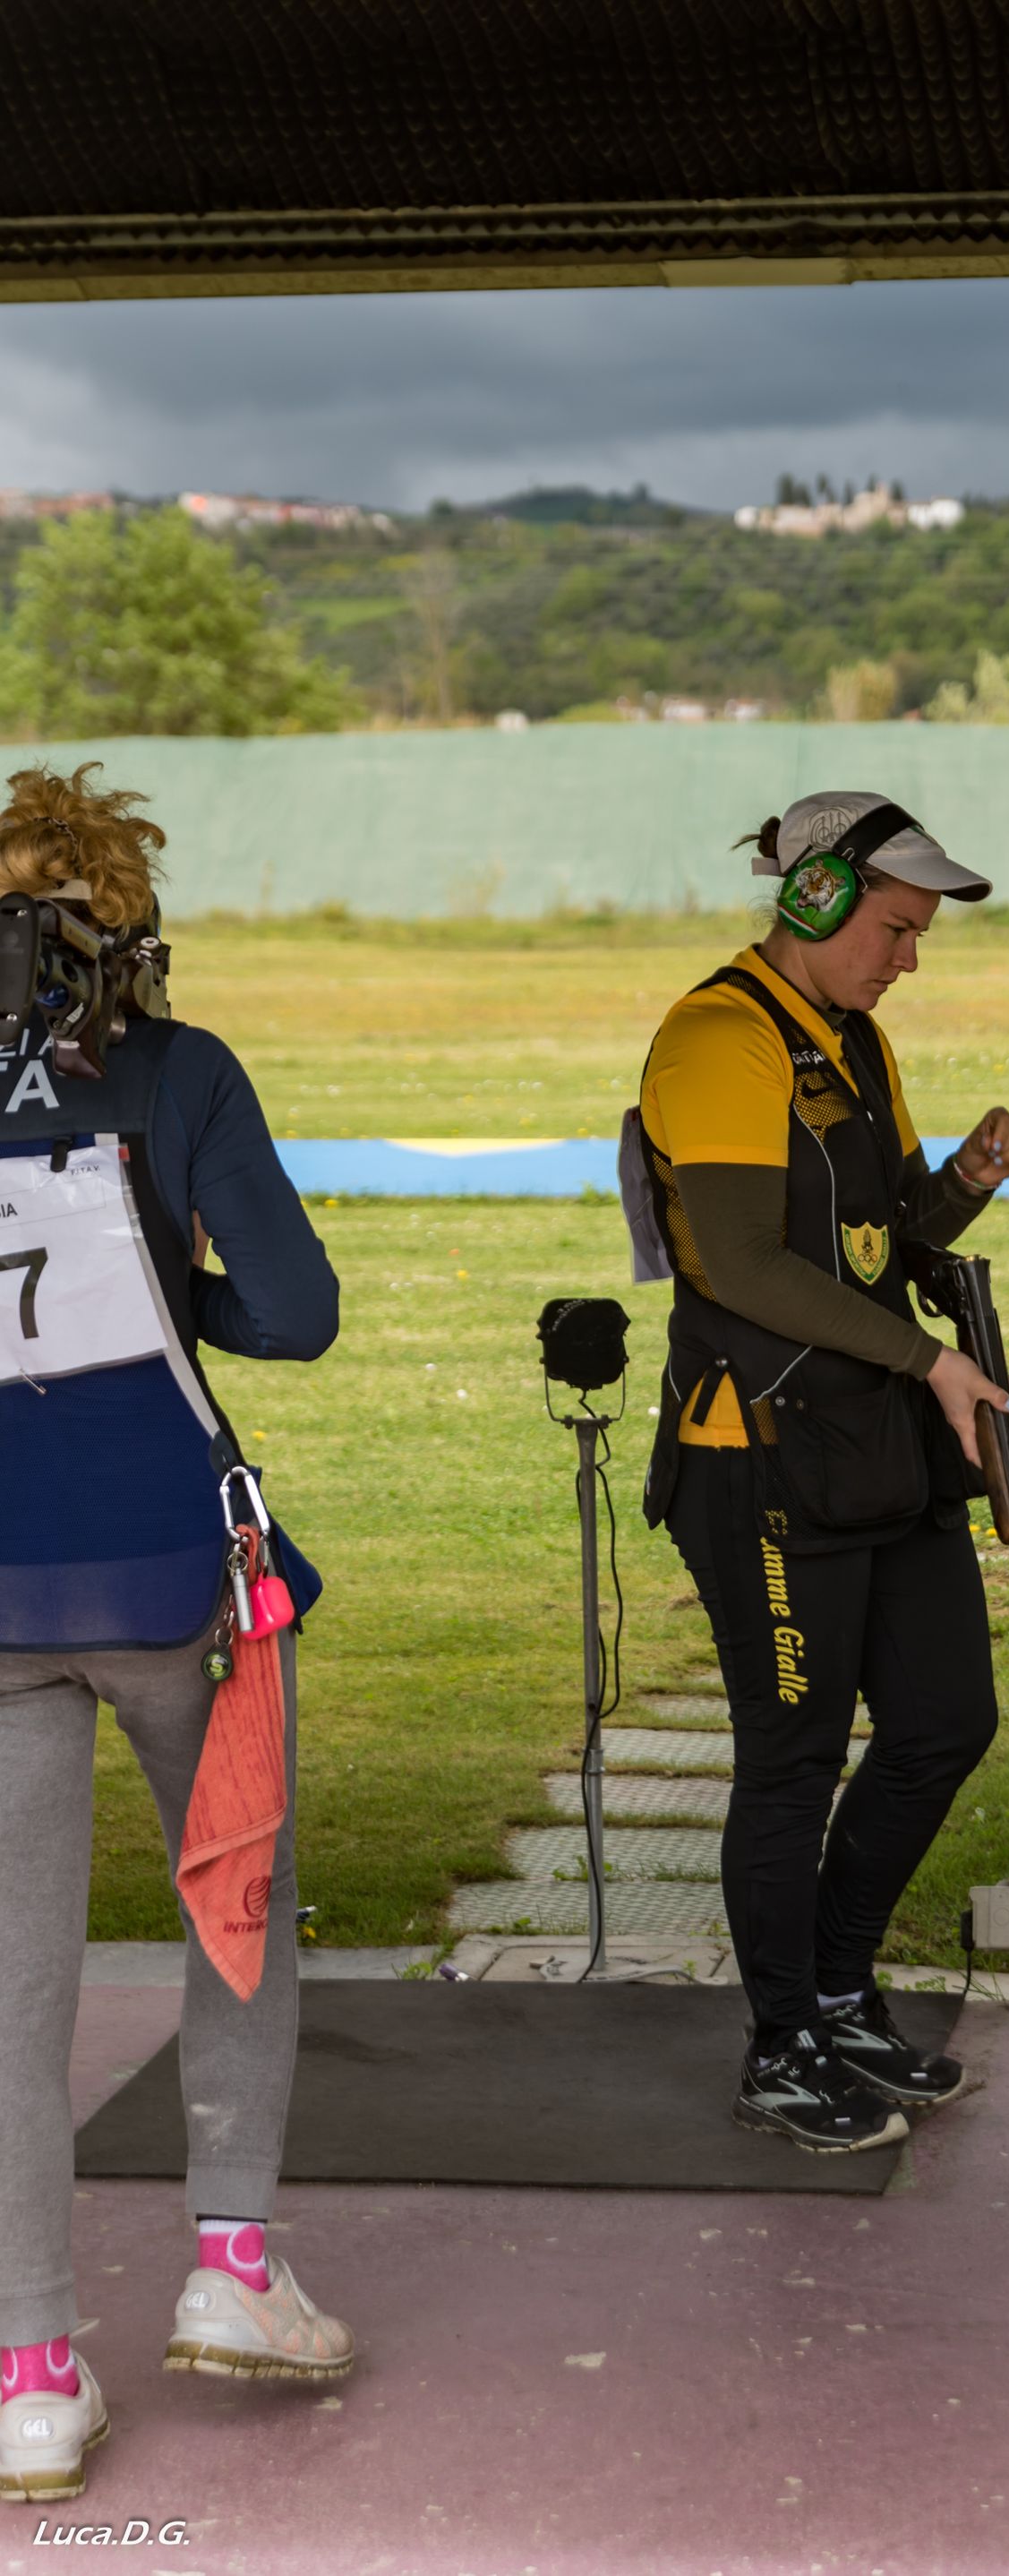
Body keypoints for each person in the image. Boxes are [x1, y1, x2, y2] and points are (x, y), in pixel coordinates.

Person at [0, 766, 351, 2510]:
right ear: (122, 931)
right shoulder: (179, 1068)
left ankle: (29, 2371)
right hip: (169, 1577)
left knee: (14, 1975)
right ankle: (230, 2263)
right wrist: (168, 1294)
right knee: (236, 1896)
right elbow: (295, 1312)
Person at [635, 790, 1009, 2151]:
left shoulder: (855, 1040)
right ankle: (780, 2043)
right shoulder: (717, 1038)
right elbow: (743, 1265)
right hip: (757, 1455)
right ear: (815, 899)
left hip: (869, 1441)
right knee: (795, 1758)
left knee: (944, 1721)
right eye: (895, 928)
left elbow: (888, 1239)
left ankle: (837, 1991)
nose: (909, 958)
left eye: (919, 934)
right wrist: (932, 1362)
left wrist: (966, 1179)